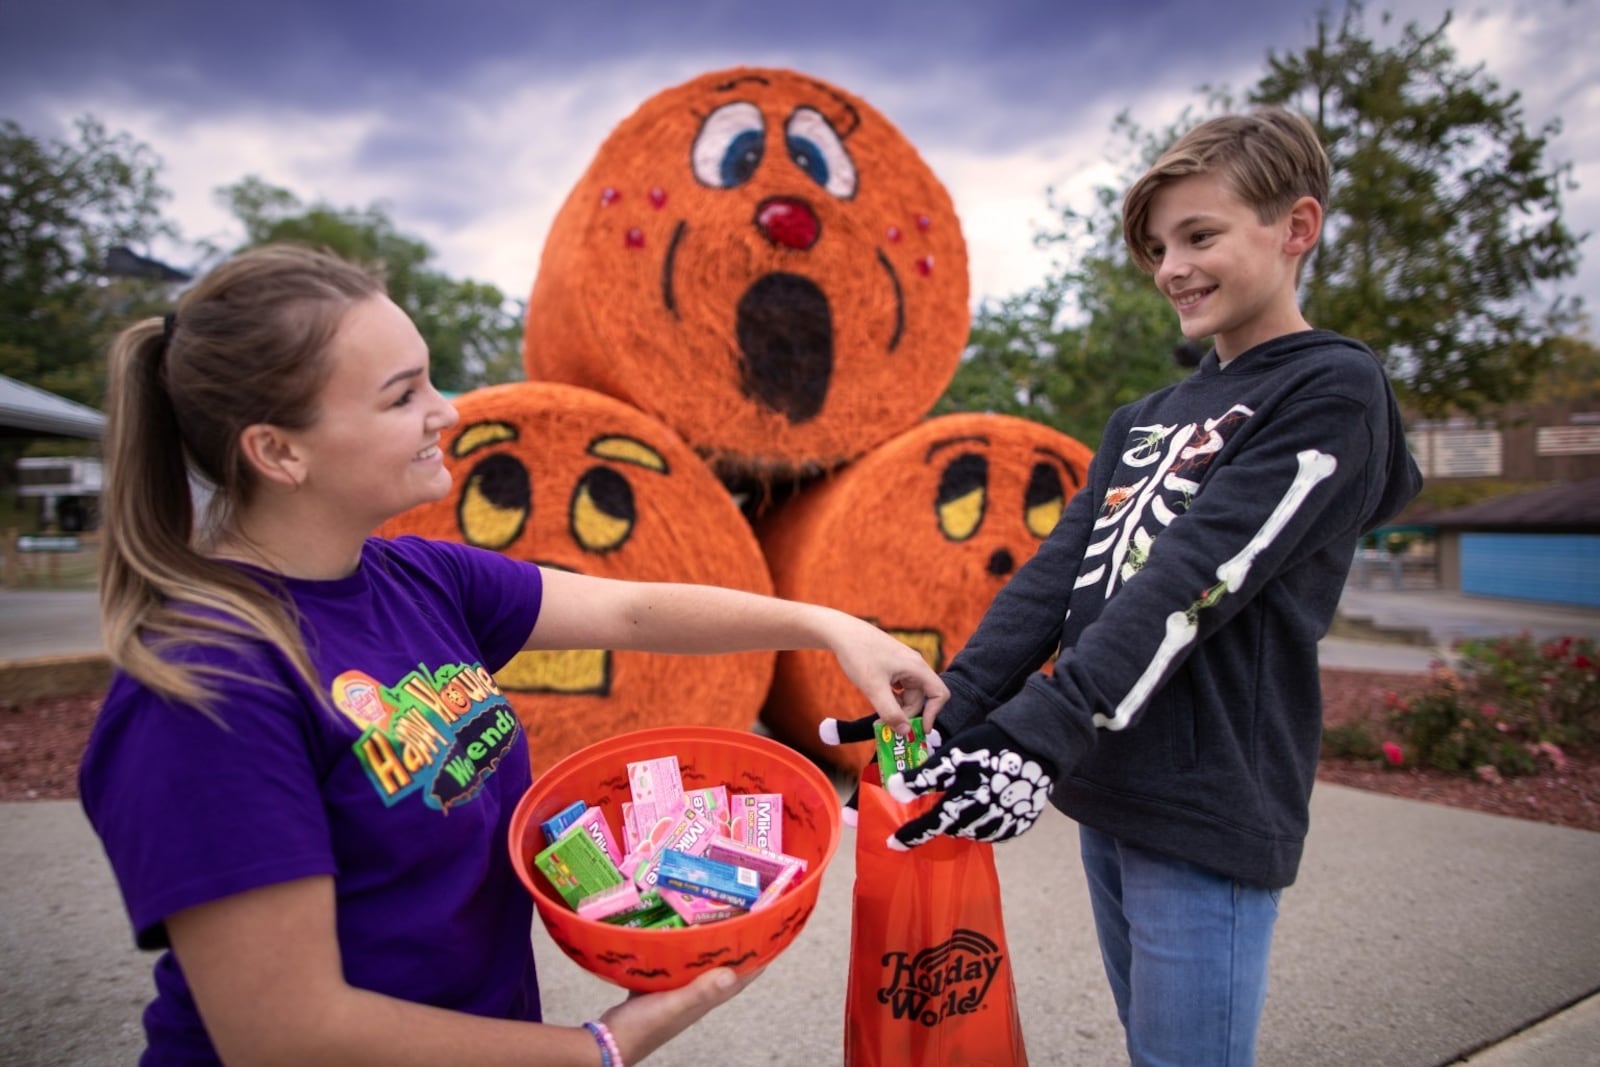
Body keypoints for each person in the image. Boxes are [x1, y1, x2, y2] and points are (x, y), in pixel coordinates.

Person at [80, 242, 950, 1067]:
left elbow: (631, 608)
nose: (447, 411)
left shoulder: (417, 577)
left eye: (430, 379)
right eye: (401, 396)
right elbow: (288, 1032)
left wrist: (828, 625)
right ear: (278, 450)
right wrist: (598, 1048)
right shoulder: (205, 687)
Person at [825, 107, 1422, 1065]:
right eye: (1157, 248)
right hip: (1109, 784)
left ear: (1297, 227)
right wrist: (952, 708)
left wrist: (1042, 731)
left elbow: (1199, 575)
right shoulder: (1142, 418)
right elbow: (1056, 577)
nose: (1171, 268)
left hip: (1209, 800)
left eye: (1199, 236)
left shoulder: (1331, 389)